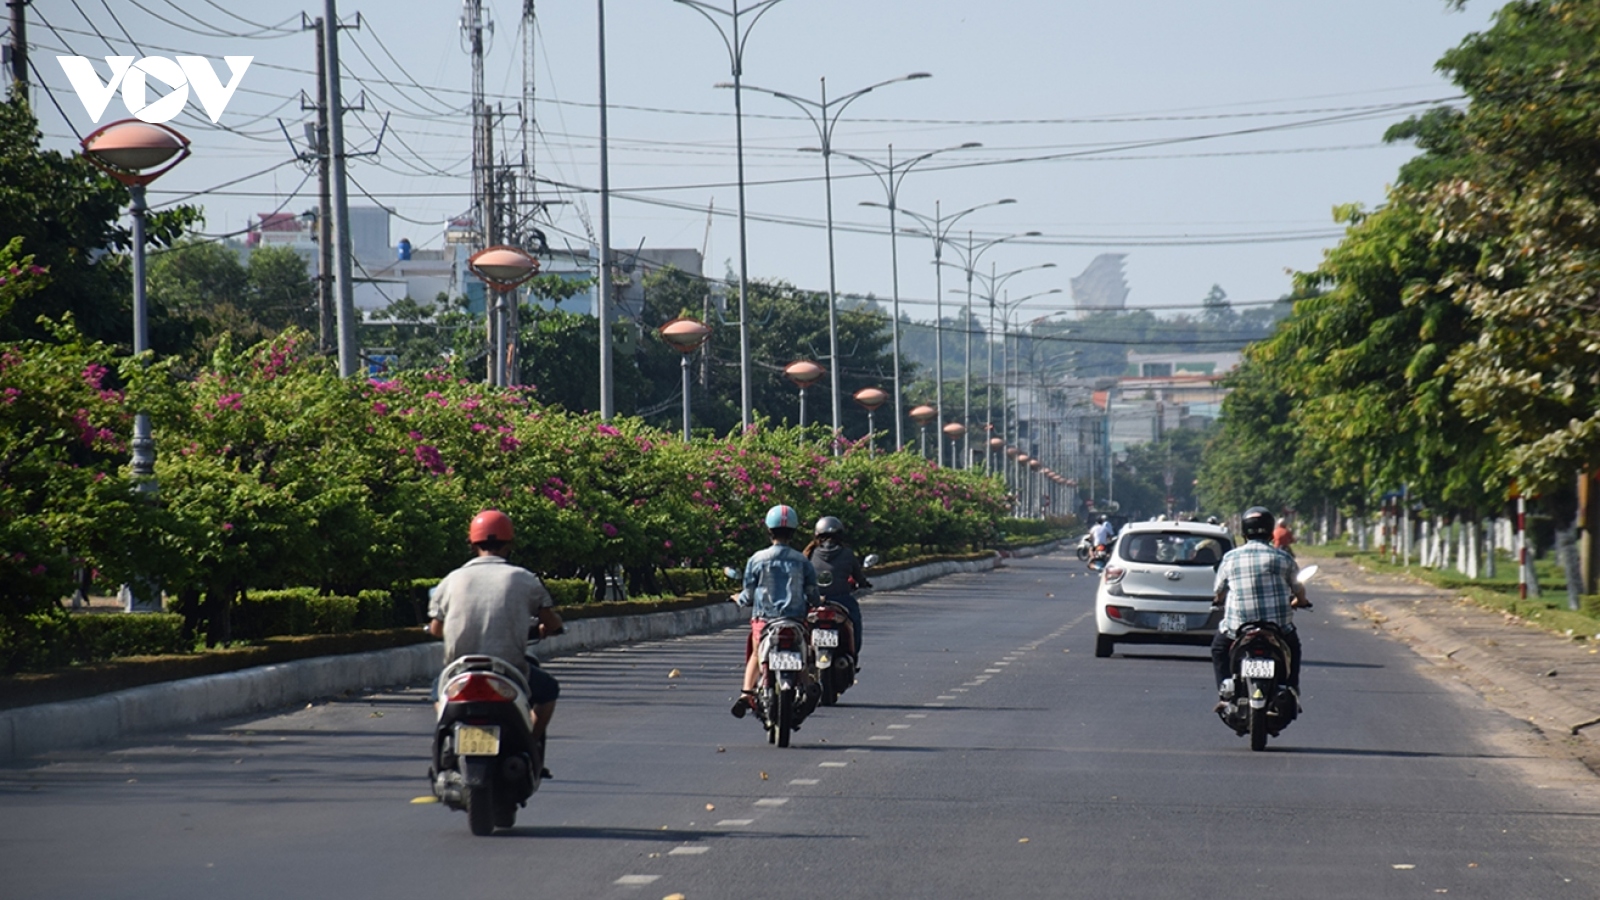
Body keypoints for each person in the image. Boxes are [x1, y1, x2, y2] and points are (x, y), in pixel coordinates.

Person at [429, 509, 564, 751]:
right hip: (510, 670)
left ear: (472, 543)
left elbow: (437, 630)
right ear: (509, 543)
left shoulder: (451, 580)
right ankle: (529, 742)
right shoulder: (524, 579)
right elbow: (551, 622)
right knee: (549, 690)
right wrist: (550, 628)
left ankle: (447, 736)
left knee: (436, 692)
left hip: (460, 671)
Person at [1211, 506, 1309, 709]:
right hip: (1277, 627)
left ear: (1244, 531)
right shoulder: (1284, 558)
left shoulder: (1230, 558)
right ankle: (1291, 687)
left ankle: (1224, 693)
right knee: (1294, 647)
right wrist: (1301, 601)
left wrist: (1218, 600)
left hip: (1238, 626)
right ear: (1270, 530)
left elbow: (1219, 591)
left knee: (1219, 648)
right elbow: (1298, 588)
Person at [730, 504, 820, 718]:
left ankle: (745, 694)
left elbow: (748, 595)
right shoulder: (802, 561)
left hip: (765, 621)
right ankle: (807, 686)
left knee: (755, 654)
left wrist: (736, 598)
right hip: (795, 620)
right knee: (804, 656)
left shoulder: (757, 559)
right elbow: (813, 595)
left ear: (769, 531)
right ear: (793, 531)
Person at [803, 515, 871, 658]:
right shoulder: (847, 554)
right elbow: (859, 577)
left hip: (814, 602)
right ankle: (853, 655)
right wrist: (864, 584)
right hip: (841, 600)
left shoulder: (809, 554)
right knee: (855, 622)